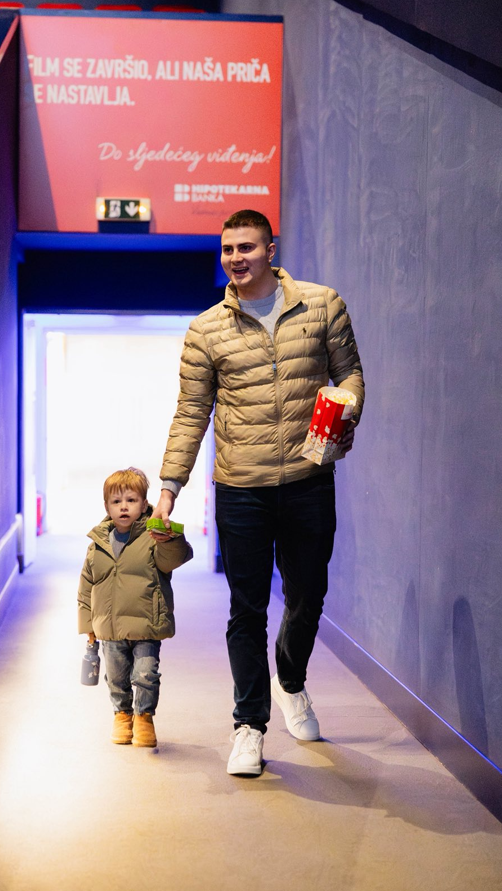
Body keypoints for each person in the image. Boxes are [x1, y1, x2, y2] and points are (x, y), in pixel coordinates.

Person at [153, 209, 364, 775]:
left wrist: (344, 413)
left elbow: (350, 375)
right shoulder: (206, 330)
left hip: (309, 481)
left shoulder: (322, 304)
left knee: (308, 595)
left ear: (270, 250)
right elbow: (191, 412)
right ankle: (249, 725)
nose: (235, 258)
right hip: (241, 488)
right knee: (246, 608)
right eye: (227, 249)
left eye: (246, 247)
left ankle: (289, 680)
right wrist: (170, 485)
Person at [78, 467, 193, 748]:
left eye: (131, 500)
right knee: (116, 677)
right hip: (110, 628)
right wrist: (88, 625)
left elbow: (174, 559)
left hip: (146, 624)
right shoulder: (98, 545)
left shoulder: (153, 536)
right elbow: (86, 587)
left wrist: (170, 538)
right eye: (116, 501)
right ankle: (122, 715)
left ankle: (143, 717)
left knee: (146, 674)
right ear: (107, 507)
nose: (124, 507)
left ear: (144, 505)